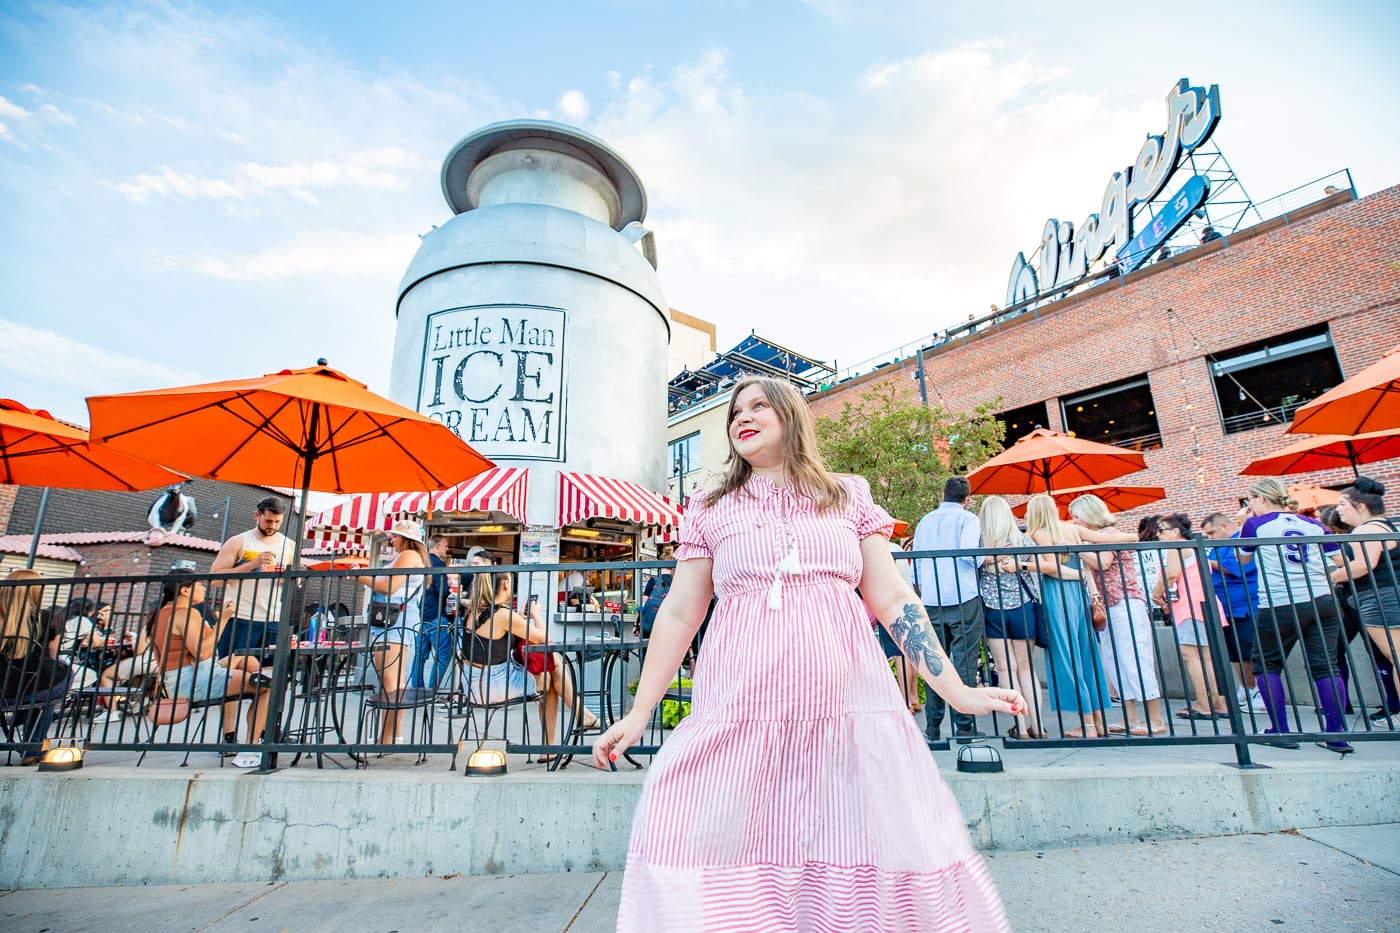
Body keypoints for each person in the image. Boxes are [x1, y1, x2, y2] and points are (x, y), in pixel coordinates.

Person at [594, 376, 1020, 931]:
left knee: (851, 836)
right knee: (686, 812)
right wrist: (639, 712)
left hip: (847, 709)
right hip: (741, 707)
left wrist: (956, 691)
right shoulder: (710, 506)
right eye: (734, 412)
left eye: (757, 406)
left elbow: (892, 598)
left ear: (791, 415)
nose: (741, 418)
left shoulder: (847, 494)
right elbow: (679, 613)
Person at [1238, 478, 1350, 754]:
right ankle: (1336, 735)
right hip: (1322, 599)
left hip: (1280, 602)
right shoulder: (1312, 523)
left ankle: (1281, 730)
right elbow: (1339, 560)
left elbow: (1242, 559)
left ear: (1261, 499)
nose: (1248, 505)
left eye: (1249, 500)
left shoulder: (1256, 524)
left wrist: (1243, 520)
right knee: (1326, 665)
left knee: (1266, 663)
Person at [460, 564, 598, 756]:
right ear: (506, 584)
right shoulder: (502, 615)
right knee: (552, 669)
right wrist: (535, 615)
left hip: (473, 684)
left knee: (550, 669)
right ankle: (567, 730)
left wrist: (519, 618)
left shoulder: (475, 612)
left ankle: (558, 739)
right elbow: (543, 637)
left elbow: (497, 629)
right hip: (492, 685)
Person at [147, 570, 271, 768]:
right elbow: (202, 652)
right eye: (199, 585)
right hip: (190, 680)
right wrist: (223, 620)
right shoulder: (186, 614)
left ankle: (263, 729)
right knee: (265, 686)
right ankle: (252, 748)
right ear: (185, 590)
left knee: (247, 661)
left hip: (176, 678)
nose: (203, 588)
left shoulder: (160, 613)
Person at [1070, 494, 1166, 735]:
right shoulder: (1098, 539)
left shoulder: (1109, 536)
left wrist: (1075, 546)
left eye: (1077, 516)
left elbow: (1102, 562)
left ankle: (1155, 719)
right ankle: (1129, 717)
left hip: (1125, 602)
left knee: (1135, 659)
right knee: (1115, 662)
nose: (1074, 521)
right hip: (1110, 604)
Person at [1022, 494, 1111, 738]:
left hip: (1057, 595)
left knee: (1066, 657)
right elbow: (1084, 565)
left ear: (1036, 512)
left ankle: (1088, 725)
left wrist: (1022, 565)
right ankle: (1100, 722)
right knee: (1086, 656)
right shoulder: (1071, 530)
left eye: (1028, 512)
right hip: (1079, 596)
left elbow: (1052, 568)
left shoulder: (1039, 533)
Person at [911, 475, 986, 743]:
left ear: (943, 494)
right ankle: (964, 727)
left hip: (932, 598)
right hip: (963, 595)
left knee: (934, 663)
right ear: (967, 499)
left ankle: (933, 728)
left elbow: (916, 566)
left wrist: (923, 587)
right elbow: (968, 555)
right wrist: (986, 557)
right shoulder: (969, 519)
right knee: (964, 661)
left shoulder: (925, 520)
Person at [1329, 477, 1400, 724]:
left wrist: (1330, 578)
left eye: (1342, 503)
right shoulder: (1384, 526)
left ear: (1360, 506)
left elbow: (1362, 566)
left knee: (1396, 657)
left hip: (1379, 598)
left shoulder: (1366, 529)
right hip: (1385, 595)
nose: (1338, 509)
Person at [355, 519, 428, 745]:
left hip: (394, 619)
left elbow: (389, 587)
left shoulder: (408, 556)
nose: (391, 539)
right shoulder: (413, 558)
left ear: (406, 539)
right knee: (393, 681)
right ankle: (391, 735)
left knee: (390, 681)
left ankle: (386, 738)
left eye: (395, 536)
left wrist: (361, 575)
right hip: (398, 618)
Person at [978, 495, 1046, 738]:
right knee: (1027, 669)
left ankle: (1019, 726)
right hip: (1023, 607)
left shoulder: (980, 543)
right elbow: (1044, 565)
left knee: (1006, 669)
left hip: (993, 609)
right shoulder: (1023, 540)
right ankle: (1038, 726)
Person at [1151, 514, 1230, 722]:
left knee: (1191, 655)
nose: (1158, 535)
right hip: (1205, 603)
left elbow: (1171, 574)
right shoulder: (1193, 546)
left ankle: (1204, 704)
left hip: (1190, 607)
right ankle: (1218, 702)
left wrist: (1156, 593)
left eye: (1162, 530)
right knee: (1207, 657)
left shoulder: (1176, 546)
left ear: (1175, 531)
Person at [210, 496, 296, 660]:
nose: (273, 526)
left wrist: (288, 578)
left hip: (275, 618)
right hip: (240, 617)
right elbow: (214, 579)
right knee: (232, 671)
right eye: (268, 521)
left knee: (269, 675)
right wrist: (251, 565)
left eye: (277, 522)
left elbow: (296, 582)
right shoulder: (238, 541)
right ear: (257, 516)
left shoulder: (290, 545)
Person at [1, 570, 73, 765]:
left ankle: (20, 718)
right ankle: (32, 747)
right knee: (57, 678)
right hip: (35, 687)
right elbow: (53, 654)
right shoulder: (48, 618)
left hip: (3, 691)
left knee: (40, 687)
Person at [1202, 511, 1266, 714]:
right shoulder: (1216, 547)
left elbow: (1235, 567)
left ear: (1223, 526)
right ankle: (1246, 688)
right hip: (1225, 607)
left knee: (1247, 651)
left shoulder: (1239, 541)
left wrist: (1200, 559)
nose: (1210, 538)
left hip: (1243, 605)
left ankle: (1258, 691)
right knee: (1234, 653)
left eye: (1211, 532)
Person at [410, 536, 472, 692]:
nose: (446, 549)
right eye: (445, 546)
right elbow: (442, 590)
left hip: (420, 615)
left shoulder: (422, 563)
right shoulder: (437, 564)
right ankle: (432, 690)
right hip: (436, 615)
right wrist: (450, 587)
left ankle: (417, 690)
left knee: (419, 656)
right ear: (437, 546)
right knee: (444, 654)